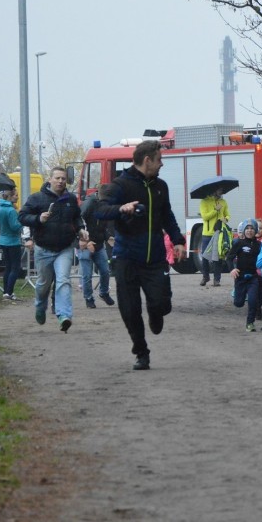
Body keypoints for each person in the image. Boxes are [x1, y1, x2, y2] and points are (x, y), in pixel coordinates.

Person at [95, 141, 187, 371]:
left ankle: (156, 314)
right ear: (148, 160)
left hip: (155, 258)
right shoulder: (120, 185)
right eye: (159, 159)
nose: (162, 163)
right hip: (127, 257)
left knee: (162, 303)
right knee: (130, 309)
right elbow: (100, 210)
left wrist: (178, 241)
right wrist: (121, 209)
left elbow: (167, 215)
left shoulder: (161, 186)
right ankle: (141, 352)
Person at [19, 167, 87, 333]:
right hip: (43, 248)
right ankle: (40, 307)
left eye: (63, 178)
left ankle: (64, 316)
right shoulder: (37, 198)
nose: (60, 181)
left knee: (63, 280)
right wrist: (38, 218)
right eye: (57, 178)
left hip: (64, 248)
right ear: (50, 179)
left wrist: (81, 229)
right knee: (44, 284)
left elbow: (76, 217)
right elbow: (21, 216)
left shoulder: (70, 199)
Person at [78, 192, 115, 309]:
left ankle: (103, 292)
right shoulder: (89, 205)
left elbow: (102, 227)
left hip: (98, 245)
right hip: (85, 245)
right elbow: (79, 223)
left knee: (105, 271)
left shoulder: (105, 209)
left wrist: (108, 237)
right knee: (87, 275)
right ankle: (88, 298)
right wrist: (86, 241)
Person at [227, 218, 261, 332]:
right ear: (244, 230)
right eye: (247, 228)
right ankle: (239, 294)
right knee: (238, 303)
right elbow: (229, 258)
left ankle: (250, 323)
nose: (250, 231)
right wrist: (232, 269)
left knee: (253, 300)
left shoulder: (259, 245)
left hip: (253, 277)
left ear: (255, 230)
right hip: (240, 277)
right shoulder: (239, 243)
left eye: (252, 228)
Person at [0, 188, 24, 301]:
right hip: (13, 241)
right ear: (10, 197)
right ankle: (9, 292)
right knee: (15, 267)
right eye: (15, 195)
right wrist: (21, 221)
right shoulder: (11, 210)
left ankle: (5, 291)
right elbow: (15, 227)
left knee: (8, 267)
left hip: (2, 241)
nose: (17, 197)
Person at [199, 189, 229, 286]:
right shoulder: (204, 202)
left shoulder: (223, 202)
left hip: (218, 233)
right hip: (207, 233)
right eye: (219, 190)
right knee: (204, 256)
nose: (221, 192)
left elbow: (228, 215)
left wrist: (225, 219)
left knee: (217, 257)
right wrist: (215, 210)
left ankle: (217, 280)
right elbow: (205, 217)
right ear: (214, 190)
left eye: (222, 190)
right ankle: (205, 276)